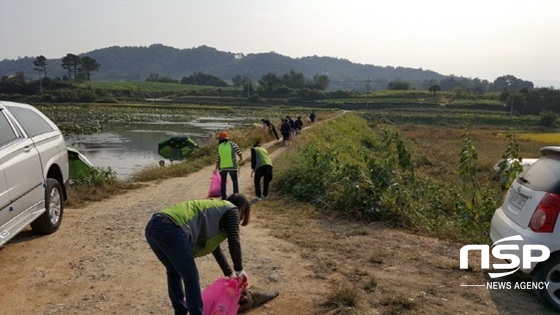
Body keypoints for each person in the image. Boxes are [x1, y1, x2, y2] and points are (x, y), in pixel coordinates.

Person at [145, 193, 251, 315]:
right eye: (242, 215)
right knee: (191, 277)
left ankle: (180, 312)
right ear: (242, 209)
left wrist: (231, 275)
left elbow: (215, 248)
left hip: (153, 227)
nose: (240, 219)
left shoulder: (216, 210)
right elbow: (234, 240)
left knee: (173, 272)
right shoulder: (233, 210)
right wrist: (239, 270)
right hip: (172, 227)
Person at [215, 131, 243, 200]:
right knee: (234, 181)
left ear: (220, 139)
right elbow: (239, 152)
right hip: (232, 166)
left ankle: (224, 197)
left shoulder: (219, 147)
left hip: (222, 167)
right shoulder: (232, 144)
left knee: (223, 182)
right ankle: (236, 196)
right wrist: (241, 160)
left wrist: (216, 168)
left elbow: (218, 159)